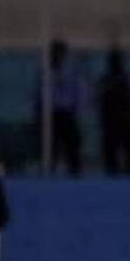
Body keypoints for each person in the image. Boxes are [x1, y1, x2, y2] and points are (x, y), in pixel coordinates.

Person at [37, 39, 85, 175]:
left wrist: (78, 106)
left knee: (72, 146)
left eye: (61, 53)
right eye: (56, 53)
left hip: (68, 113)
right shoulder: (45, 72)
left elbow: (79, 90)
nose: (59, 57)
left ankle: (75, 171)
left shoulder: (71, 71)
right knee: (52, 147)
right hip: (52, 114)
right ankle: (49, 170)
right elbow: (41, 93)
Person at [97, 46, 130, 174]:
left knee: (128, 146)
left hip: (124, 118)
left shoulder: (126, 78)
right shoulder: (106, 79)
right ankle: (113, 169)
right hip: (111, 119)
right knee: (111, 147)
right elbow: (101, 98)